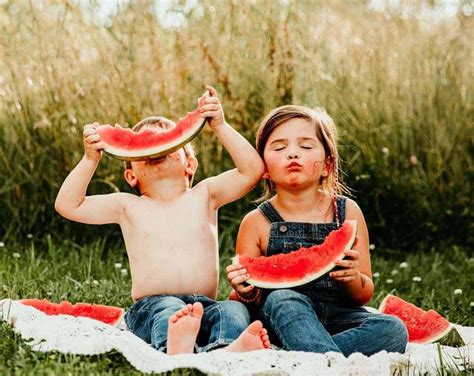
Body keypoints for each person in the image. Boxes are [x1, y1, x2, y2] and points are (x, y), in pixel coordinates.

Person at [55, 86, 270, 355]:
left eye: (169, 141)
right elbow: (67, 205)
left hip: (207, 305)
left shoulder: (206, 194)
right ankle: (175, 346)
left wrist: (220, 126)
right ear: (131, 176)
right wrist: (90, 159)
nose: (155, 142)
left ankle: (225, 349)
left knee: (234, 309)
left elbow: (253, 170)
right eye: (143, 145)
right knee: (167, 310)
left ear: (189, 164)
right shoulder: (127, 206)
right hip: (152, 306)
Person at [226, 105, 408, 356]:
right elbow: (248, 300)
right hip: (283, 318)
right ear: (264, 168)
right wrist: (243, 291)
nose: (292, 154)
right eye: (279, 147)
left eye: (306, 146)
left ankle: (309, 357)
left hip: (338, 317)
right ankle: (328, 362)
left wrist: (352, 278)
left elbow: (363, 294)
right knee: (282, 298)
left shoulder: (347, 213)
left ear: (328, 164)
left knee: (393, 328)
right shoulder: (256, 222)